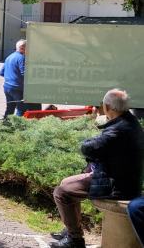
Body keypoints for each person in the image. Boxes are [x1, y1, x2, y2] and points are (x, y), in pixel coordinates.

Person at [50, 89, 144, 248]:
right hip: (123, 178)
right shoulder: (129, 122)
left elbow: (90, 148)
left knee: (61, 192)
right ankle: (71, 228)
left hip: (117, 185)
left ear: (108, 107)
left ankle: (75, 239)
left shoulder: (118, 129)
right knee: (66, 182)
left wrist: (87, 142)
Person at [0, 39, 33, 117]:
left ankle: (5, 125)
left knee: (10, 108)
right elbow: (24, 73)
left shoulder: (9, 57)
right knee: (21, 109)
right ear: (22, 48)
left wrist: (11, 77)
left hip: (7, 87)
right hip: (17, 88)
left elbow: (1, 72)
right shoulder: (21, 58)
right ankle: (17, 126)